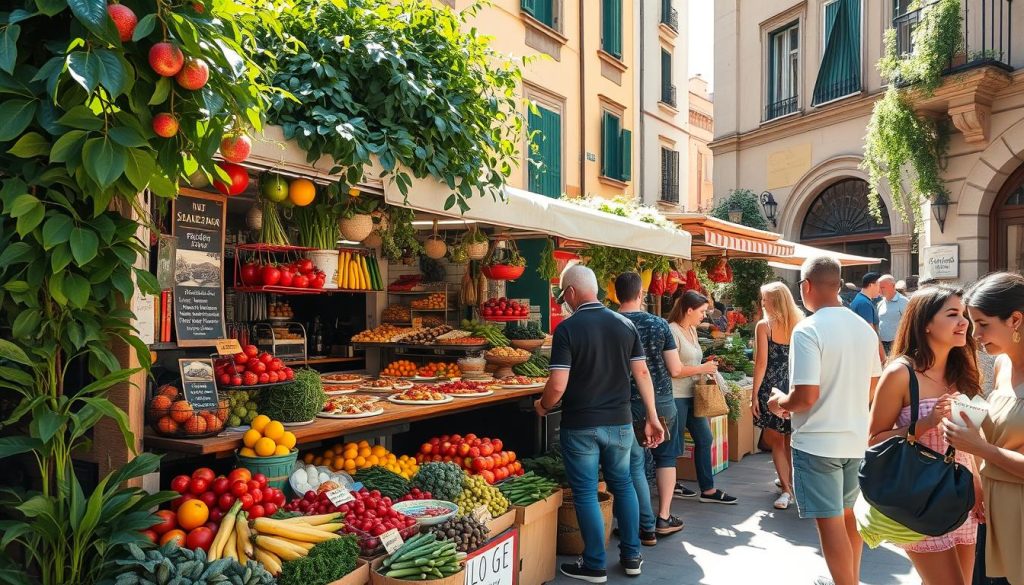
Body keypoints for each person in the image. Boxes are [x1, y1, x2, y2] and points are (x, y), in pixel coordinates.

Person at [535, 264, 665, 583]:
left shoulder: (567, 329)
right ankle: (632, 556)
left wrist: (542, 406)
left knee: (586, 492)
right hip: (620, 423)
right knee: (623, 485)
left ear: (570, 293)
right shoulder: (624, 325)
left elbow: (557, 385)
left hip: (581, 425)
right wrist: (651, 417)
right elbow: (643, 374)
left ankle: (594, 565)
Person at [768, 256, 882, 585]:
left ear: (806, 286)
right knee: (849, 518)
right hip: (854, 437)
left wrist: (779, 403)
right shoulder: (865, 329)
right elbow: (872, 387)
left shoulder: (808, 329)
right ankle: (850, 579)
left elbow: (804, 397)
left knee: (831, 521)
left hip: (818, 441)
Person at [867, 285, 982, 585]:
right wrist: (926, 422)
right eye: (953, 314)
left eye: (964, 315)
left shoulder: (964, 372)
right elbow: (874, 440)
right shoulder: (900, 374)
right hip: (921, 499)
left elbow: (969, 446)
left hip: (962, 497)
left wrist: (979, 490)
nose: (964, 322)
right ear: (926, 323)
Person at [943, 272, 1024, 585]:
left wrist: (980, 448)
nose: (974, 333)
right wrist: (967, 414)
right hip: (993, 513)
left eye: (983, 323)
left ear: (1015, 320)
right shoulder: (1002, 364)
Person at [615, 272, 685, 542]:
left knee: (631, 465)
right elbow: (675, 368)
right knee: (665, 457)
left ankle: (633, 520)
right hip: (663, 399)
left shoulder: (612, 323)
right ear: (641, 294)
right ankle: (664, 516)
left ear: (616, 294)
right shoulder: (659, 324)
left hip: (625, 403)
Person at [667, 290, 738, 504]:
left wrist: (707, 365)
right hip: (676, 395)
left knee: (705, 438)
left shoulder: (691, 330)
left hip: (693, 394)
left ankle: (707, 490)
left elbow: (692, 362)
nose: (704, 316)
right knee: (674, 445)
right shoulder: (672, 331)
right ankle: (670, 485)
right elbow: (675, 370)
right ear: (689, 310)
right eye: (702, 311)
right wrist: (701, 368)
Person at [751, 282, 804, 510]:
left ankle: (786, 489)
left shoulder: (765, 326)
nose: (762, 303)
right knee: (790, 439)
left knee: (777, 443)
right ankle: (790, 484)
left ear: (773, 302)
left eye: (765, 299)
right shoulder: (801, 323)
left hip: (771, 389)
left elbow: (761, 363)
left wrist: (754, 395)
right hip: (795, 386)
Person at [878, 274, 910, 356]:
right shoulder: (881, 303)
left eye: (882, 287)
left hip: (897, 343)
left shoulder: (903, 302)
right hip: (882, 343)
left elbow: (909, 323)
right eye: (879, 287)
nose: (880, 290)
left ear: (893, 286)